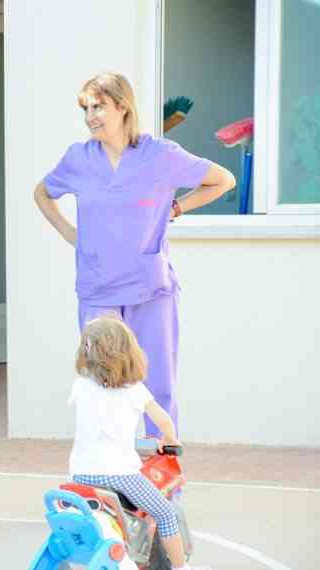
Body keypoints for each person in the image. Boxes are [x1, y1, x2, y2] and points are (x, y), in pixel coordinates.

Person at [34, 72, 236, 436]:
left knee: (156, 384)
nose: (90, 116)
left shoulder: (160, 155)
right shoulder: (78, 158)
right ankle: (109, 476)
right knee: (101, 385)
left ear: (122, 106)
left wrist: (176, 207)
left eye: (99, 106)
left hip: (150, 288)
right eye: (86, 108)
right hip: (98, 289)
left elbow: (223, 180)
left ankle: (162, 483)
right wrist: (70, 234)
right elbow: (42, 193)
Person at [69, 315, 209, 570]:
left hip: (81, 473)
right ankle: (181, 568)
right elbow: (164, 421)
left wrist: (134, 443)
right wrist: (170, 439)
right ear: (128, 352)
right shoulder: (134, 389)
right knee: (166, 514)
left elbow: (103, 430)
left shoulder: (81, 387)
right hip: (120, 475)